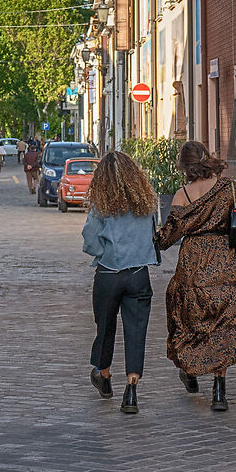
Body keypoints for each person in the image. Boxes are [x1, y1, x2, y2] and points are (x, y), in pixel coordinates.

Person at [154, 140, 236, 412]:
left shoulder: (182, 195)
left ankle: (190, 370)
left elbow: (168, 237)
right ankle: (219, 390)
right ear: (206, 158)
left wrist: (151, 239)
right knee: (223, 326)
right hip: (223, 262)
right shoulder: (229, 187)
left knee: (189, 320)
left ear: (184, 167)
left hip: (192, 265)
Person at [80, 150, 159, 414]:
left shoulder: (101, 206)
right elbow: (152, 236)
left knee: (105, 327)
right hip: (138, 274)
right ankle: (131, 389)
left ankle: (103, 375)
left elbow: (90, 240)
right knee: (136, 330)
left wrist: (105, 254)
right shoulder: (146, 204)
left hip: (109, 273)